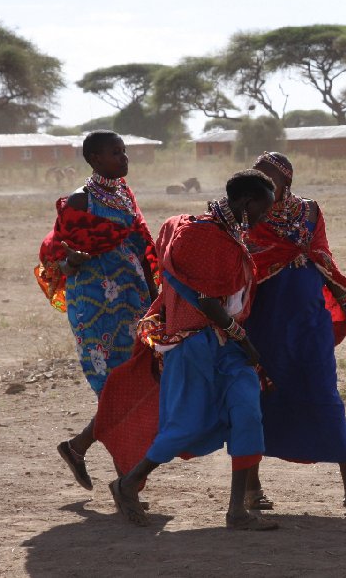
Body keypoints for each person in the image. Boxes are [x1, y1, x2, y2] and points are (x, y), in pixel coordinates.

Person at [108, 169, 277, 530]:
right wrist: (243, 339)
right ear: (246, 202)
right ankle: (127, 483)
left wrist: (238, 339)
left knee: (248, 413)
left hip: (228, 346)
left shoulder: (229, 232)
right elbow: (206, 300)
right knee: (185, 424)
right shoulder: (198, 233)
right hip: (195, 345)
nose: (267, 215)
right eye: (264, 207)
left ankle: (237, 511)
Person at [242, 151, 346, 509]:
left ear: (286, 182)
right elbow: (240, 266)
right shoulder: (246, 214)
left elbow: (323, 260)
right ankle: (251, 489)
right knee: (259, 397)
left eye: (269, 178)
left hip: (310, 321)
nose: (260, 183)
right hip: (265, 322)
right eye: (256, 176)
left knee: (325, 392)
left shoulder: (310, 211)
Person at [35, 130, 158, 491]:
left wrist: (154, 298)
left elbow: (142, 247)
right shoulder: (79, 201)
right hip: (93, 303)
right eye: (115, 153)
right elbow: (56, 257)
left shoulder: (124, 196)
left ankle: (78, 448)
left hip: (132, 302)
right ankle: (127, 480)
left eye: (125, 151)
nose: (124, 158)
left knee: (137, 384)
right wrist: (72, 260)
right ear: (94, 159)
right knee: (113, 389)